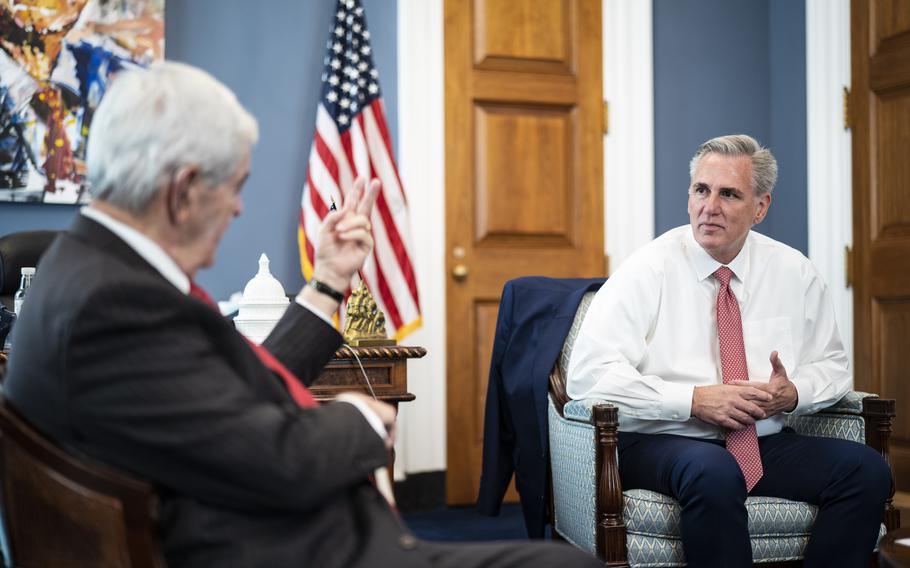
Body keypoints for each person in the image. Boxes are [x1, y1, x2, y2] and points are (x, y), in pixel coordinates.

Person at [3, 62, 599, 568]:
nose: (239, 207)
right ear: (183, 192)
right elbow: (280, 459)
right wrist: (367, 419)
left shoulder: (84, 272)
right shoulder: (116, 305)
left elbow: (238, 388)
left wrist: (329, 281)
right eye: (235, 186)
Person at [566, 134, 892, 567]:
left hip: (760, 440)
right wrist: (694, 400)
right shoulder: (647, 269)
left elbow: (832, 365)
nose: (709, 206)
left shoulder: (793, 271)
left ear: (761, 207)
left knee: (867, 470)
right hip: (662, 438)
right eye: (701, 190)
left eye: (729, 194)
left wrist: (792, 394)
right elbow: (587, 375)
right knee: (714, 471)